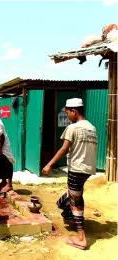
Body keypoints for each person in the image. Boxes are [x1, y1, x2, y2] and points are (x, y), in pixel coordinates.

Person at [42, 98, 97, 250]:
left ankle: (81, 239)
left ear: (74, 111)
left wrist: (49, 165)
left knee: (75, 202)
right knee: (74, 196)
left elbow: (63, 149)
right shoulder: (92, 128)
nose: (67, 117)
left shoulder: (73, 128)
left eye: (67, 113)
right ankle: (71, 217)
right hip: (87, 169)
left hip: (76, 169)